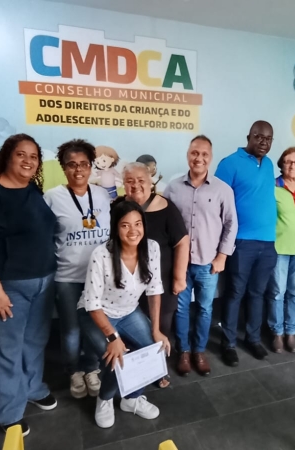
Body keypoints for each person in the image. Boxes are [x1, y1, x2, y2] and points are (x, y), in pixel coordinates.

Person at [0, 134, 57, 436]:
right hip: (6, 287)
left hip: (42, 284)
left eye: (34, 156)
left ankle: (32, 388)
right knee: (5, 352)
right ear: (7, 157)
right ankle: (8, 413)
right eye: (21, 154)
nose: (28, 161)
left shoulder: (31, 189)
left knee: (34, 343)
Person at [78, 200, 172, 429]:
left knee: (153, 349)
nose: (133, 231)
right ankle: (105, 399)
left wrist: (156, 330)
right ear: (115, 228)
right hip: (96, 314)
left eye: (138, 224)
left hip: (128, 312)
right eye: (125, 225)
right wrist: (113, 337)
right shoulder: (102, 254)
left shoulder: (152, 248)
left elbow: (154, 290)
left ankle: (131, 399)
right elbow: (92, 303)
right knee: (116, 357)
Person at [166, 135, 237, 375]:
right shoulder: (173, 188)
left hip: (209, 263)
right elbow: (166, 224)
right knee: (181, 309)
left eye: (204, 154)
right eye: (195, 153)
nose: (199, 158)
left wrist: (222, 256)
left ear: (211, 157)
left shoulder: (222, 190)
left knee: (205, 309)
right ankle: (184, 351)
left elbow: (231, 224)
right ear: (188, 154)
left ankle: (199, 350)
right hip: (180, 264)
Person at [44, 139, 109, 399]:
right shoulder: (52, 197)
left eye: (84, 164)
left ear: (91, 166)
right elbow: (46, 238)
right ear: (63, 167)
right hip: (67, 277)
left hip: (99, 278)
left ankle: (91, 368)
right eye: (72, 164)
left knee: (94, 328)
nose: (78, 169)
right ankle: (73, 370)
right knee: (71, 330)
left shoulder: (103, 195)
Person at [214, 121, 278, 365]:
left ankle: (253, 338)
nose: (263, 142)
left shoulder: (269, 164)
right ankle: (228, 343)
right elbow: (216, 201)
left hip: (268, 242)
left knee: (257, 293)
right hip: (241, 242)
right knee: (234, 293)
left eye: (268, 138)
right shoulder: (229, 163)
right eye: (259, 137)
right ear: (248, 137)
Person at [120, 162, 189, 387]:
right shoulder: (118, 207)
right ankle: (136, 372)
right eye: (130, 181)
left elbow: (182, 242)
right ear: (123, 184)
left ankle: (159, 369)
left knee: (161, 327)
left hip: (162, 282)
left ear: (151, 182)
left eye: (141, 180)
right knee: (132, 329)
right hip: (129, 284)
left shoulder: (167, 208)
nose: (136, 185)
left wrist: (179, 277)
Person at [264, 147, 295, 353]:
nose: (293, 165)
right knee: (277, 292)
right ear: (281, 165)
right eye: (288, 162)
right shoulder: (272, 187)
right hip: (279, 248)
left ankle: (291, 331)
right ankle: (277, 332)